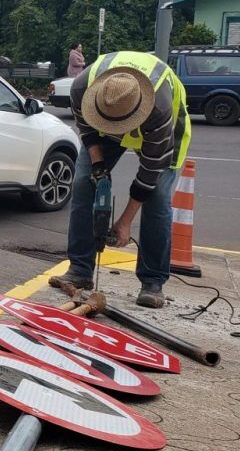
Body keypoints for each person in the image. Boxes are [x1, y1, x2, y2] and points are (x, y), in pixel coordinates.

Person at [50, 51, 192, 308]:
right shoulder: (82, 88)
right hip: (104, 127)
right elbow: (87, 131)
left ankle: (152, 281)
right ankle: (80, 269)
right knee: (84, 183)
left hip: (163, 134)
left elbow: (148, 177)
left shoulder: (159, 110)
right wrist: (98, 167)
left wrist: (124, 222)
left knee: (158, 199)